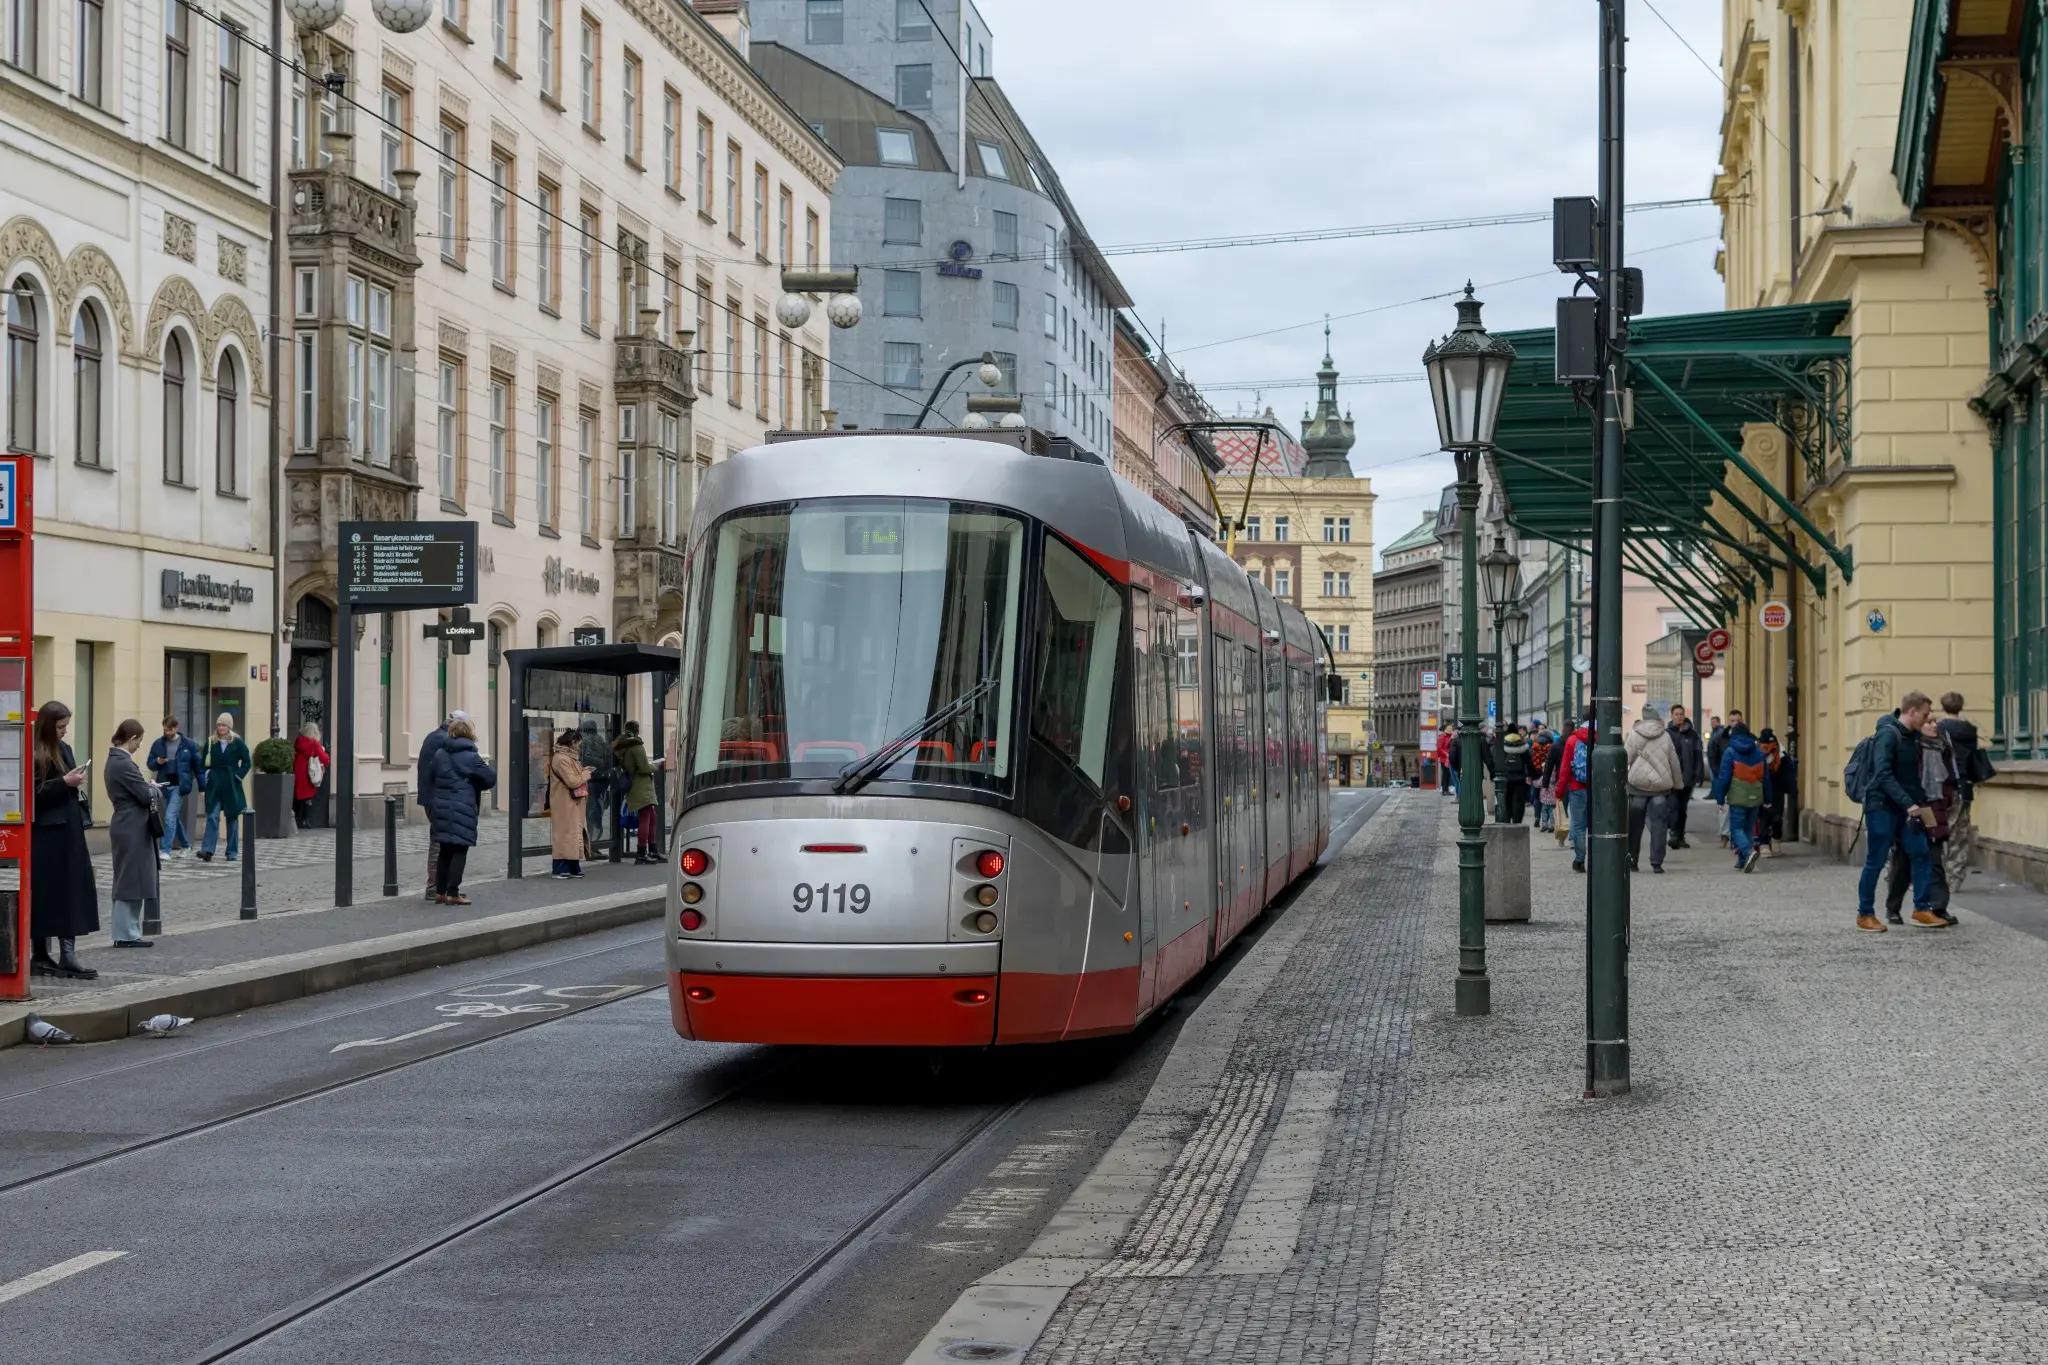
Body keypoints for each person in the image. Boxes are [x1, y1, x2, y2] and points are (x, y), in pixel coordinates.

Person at [1856, 692, 1943, 932]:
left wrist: (1921, 804)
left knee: (1921, 853)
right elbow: (1882, 775)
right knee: (1875, 860)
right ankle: (1865, 914)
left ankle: (1922, 908)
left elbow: (1911, 777)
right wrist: (1909, 803)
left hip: (1907, 808)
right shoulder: (1888, 734)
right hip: (1881, 806)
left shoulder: (1912, 737)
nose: (1926, 721)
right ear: (1912, 711)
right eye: (1924, 716)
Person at [29, 701, 99, 979]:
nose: (64, 731)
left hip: (69, 831)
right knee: (46, 894)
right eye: (60, 726)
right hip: (47, 835)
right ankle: (41, 955)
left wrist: (73, 779)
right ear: (48, 725)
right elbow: (33, 793)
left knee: (71, 890)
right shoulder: (35, 751)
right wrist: (64, 782)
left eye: (66, 726)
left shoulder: (64, 749)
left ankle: (67, 954)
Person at [1885, 717, 1959, 927]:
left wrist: (1946, 799)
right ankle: (1893, 908)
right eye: (1928, 720)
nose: (1934, 725)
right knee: (1903, 861)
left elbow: (1950, 779)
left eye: (1935, 720)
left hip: (1935, 808)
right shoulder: (1910, 746)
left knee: (1934, 859)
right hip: (1913, 807)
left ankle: (1937, 907)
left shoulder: (1943, 746)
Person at [426, 717, 498, 905]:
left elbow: (431, 776)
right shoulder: (471, 756)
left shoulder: (440, 753)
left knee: (444, 849)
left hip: (441, 806)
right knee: (459, 848)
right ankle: (453, 893)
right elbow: (490, 778)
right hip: (462, 807)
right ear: (469, 733)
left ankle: (440, 893)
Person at [103, 719, 162, 948]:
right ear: (132, 738)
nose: (139, 746)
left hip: (127, 824)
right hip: (131, 826)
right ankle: (125, 934)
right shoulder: (123, 763)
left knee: (131, 877)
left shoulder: (115, 761)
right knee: (130, 879)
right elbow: (146, 796)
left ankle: (129, 932)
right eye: (139, 741)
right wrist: (155, 789)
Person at [1624, 705, 1684, 873]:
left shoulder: (1634, 734)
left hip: (1637, 787)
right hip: (1660, 788)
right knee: (1659, 826)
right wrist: (1678, 784)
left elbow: (1625, 759)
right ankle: (1657, 862)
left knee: (1634, 826)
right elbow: (1674, 763)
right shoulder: (1665, 736)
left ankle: (1632, 860)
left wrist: (1621, 780)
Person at [1711, 721, 1772, 872]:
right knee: (1748, 829)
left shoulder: (1730, 752)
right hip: (1755, 796)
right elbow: (1766, 778)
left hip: (1738, 797)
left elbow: (1724, 777)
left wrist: (1720, 798)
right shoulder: (1759, 753)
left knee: (1736, 829)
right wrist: (1768, 798)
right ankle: (1743, 860)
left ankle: (1748, 852)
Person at [1937, 692, 1981, 892]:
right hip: (1964, 786)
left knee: (1938, 830)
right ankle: (1955, 877)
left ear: (1943, 706)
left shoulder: (1938, 729)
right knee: (1960, 833)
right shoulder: (1970, 730)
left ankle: (1939, 875)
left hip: (1942, 786)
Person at [416, 712, 461, 899]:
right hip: (439, 798)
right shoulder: (445, 740)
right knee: (439, 842)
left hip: (431, 797)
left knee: (439, 840)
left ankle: (438, 886)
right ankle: (434, 887)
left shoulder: (433, 736)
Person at [197, 713, 250, 863]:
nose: (221, 728)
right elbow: (203, 764)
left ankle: (232, 852)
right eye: (219, 725)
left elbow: (247, 762)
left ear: (229, 727)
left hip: (231, 784)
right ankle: (207, 850)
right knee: (212, 816)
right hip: (214, 784)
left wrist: (238, 776)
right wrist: (207, 774)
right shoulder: (211, 742)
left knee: (232, 817)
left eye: (224, 725)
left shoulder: (237, 743)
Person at [146, 716, 200, 858]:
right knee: (173, 817)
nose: (167, 732)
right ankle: (185, 845)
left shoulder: (188, 744)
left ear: (176, 728)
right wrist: (157, 761)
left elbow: (198, 767)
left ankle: (165, 850)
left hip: (179, 786)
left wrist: (202, 787)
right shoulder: (158, 743)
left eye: (170, 730)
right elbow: (150, 763)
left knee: (169, 817)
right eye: (165, 730)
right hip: (163, 785)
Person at [612, 720, 663, 863]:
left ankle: (652, 850)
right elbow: (644, 768)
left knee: (651, 816)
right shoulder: (636, 746)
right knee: (646, 817)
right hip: (641, 785)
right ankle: (642, 853)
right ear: (637, 730)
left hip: (634, 784)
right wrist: (655, 766)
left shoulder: (623, 746)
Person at [548, 727, 594, 878]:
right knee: (565, 835)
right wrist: (586, 774)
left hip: (572, 803)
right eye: (578, 743)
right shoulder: (561, 758)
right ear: (573, 742)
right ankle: (560, 868)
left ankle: (573, 866)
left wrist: (584, 770)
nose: (579, 747)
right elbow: (573, 781)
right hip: (564, 803)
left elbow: (574, 776)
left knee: (574, 834)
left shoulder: (568, 758)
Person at [1555, 707, 1595, 872]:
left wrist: (1559, 791)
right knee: (1598, 826)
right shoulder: (1603, 738)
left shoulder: (1572, 740)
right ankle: (1600, 859)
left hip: (1577, 787)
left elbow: (1564, 769)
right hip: (1598, 789)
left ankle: (1579, 861)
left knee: (1578, 826)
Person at [1665, 705, 1704, 849]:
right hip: (1672, 779)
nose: (1679, 717)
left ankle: (1680, 836)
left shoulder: (1692, 735)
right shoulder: (1667, 734)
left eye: (1681, 714)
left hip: (1687, 778)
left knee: (1682, 809)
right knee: (1673, 807)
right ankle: (1674, 834)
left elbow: (1698, 755)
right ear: (1671, 715)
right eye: (1676, 714)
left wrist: (1698, 774)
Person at [1707, 709, 1743, 848]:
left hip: (1742, 778)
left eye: (1738, 721)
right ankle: (1724, 835)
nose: (1735, 723)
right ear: (1729, 722)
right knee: (1724, 808)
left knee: (1739, 807)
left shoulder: (1747, 736)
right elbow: (1712, 755)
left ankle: (1736, 836)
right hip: (1725, 777)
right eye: (1733, 721)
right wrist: (1718, 773)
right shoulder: (1721, 737)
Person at [580, 718, 615, 848]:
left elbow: (585, 760)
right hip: (602, 781)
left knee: (590, 812)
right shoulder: (601, 741)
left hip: (590, 780)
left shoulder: (586, 742)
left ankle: (590, 843)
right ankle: (593, 842)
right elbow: (609, 759)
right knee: (596, 810)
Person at [292, 721, 330, 829]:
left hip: (298, 770)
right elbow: (324, 759)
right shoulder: (314, 744)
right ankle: (306, 820)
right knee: (308, 797)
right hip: (309, 773)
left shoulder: (298, 742)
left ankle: (295, 819)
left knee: (298, 796)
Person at [1492, 724, 1530, 824]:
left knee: (1506, 800)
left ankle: (1506, 818)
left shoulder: (1502, 744)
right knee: (1519, 800)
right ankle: (1517, 820)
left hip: (1506, 777)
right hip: (1520, 778)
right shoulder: (1523, 744)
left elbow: (1496, 760)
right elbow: (1528, 761)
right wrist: (1529, 775)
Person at [1528, 727, 1555, 831]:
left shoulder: (1534, 747)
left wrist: (1529, 775)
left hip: (1536, 775)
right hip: (1549, 775)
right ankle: (1551, 822)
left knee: (1537, 798)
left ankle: (1538, 817)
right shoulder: (1551, 747)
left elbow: (1529, 762)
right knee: (1551, 800)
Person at [1435, 725, 1457, 795]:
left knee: (1448, 775)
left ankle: (1446, 789)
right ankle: (1444, 790)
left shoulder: (1451, 737)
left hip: (1449, 758)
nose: (1451, 730)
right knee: (1445, 774)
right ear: (1445, 730)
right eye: (1449, 728)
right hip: (1444, 759)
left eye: (1451, 728)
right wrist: (1446, 754)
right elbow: (1439, 748)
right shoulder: (1442, 737)